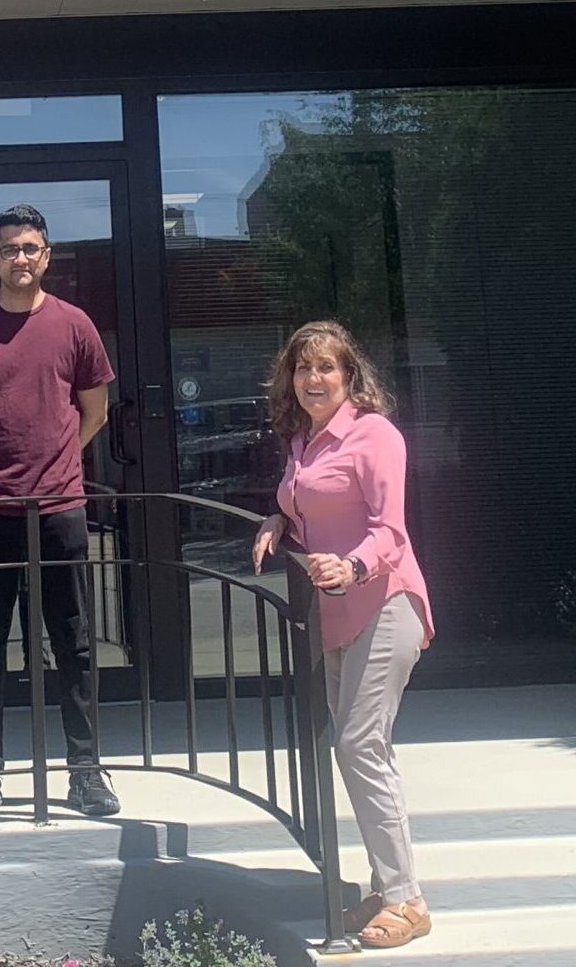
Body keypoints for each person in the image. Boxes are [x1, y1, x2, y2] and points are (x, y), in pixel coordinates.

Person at [0, 202, 119, 821]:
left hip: (61, 506)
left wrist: (57, 461)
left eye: (31, 248)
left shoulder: (75, 325)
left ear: (48, 256)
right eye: (10, 248)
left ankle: (85, 773)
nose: (21, 257)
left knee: (75, 644)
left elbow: (94, 410)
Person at [253, 320, 435, 951]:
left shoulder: (374, 435)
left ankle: (407, 898)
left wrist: (353, 565)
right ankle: (391, 889)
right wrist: (278, 518)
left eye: (326, 368)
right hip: (332, 614)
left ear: (349, 375)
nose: (313, 379)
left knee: (360, 745)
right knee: (358, 749)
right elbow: (302, 502)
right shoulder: (301, 441)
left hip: (384, 602)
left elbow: (392, 529)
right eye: (303, 369)